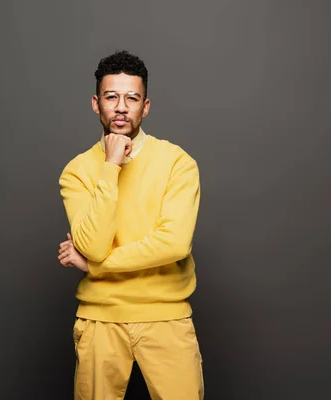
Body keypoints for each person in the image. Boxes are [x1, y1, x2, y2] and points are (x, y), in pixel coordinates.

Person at [57, 50, 204, 399]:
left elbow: (174, 244)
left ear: (146, 106)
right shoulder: (77, 171)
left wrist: (96, 266)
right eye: (111, 97)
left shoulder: (177, 163)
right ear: (97, 104)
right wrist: (110, 165)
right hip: (100, 320)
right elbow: (93, 243)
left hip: (166, 316)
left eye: (131, 98)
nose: (121, 107)